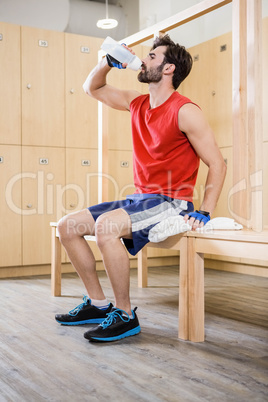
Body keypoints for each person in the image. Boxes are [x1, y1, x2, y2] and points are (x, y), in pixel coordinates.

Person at [55, 35, 226, 342]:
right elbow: (91, 88)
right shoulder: (137, 103)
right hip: (141, 199)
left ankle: (125, 314)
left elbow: (218, 163)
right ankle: (96, 304)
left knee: (106, 227)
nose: (143, 60)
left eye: (151, 56)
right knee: (68, 227)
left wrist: (204, 212)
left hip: (172, 201)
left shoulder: (185, 110)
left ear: (168, 68)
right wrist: (107, 62)